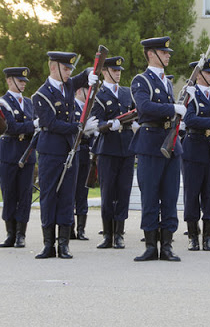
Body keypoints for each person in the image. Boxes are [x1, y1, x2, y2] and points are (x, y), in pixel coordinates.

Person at [32, 52, 98, 259]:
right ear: (54, 67)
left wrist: (91, 72)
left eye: (70, 69)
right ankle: (48, 244)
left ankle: (64, 244)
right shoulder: (40, 95)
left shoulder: (68, 85)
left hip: (70, 149)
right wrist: (79, 127)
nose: (70, 72)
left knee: (68, 197)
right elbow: (50, 123)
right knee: (49, 195)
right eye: (66, 68)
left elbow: (83, 77)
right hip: (51, 151)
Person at [130, 36, 184, 262]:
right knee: (150, 195)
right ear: (151, 54)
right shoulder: (141, 80)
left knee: (170, 195)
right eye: (164, 52)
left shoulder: (166, 81)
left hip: (170, 143)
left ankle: (168, 245)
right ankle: (151, 245)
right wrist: (172, 107)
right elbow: (144, 107)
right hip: (151, 143)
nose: (168, 55)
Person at [182, 58, 210, 252]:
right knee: (192, 194)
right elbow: (190, 119)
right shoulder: (190, 95)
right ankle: (193, 236)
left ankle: (208, 237)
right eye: (208, 73)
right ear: (198, 75)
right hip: (193, 148)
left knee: (209, 195)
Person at [92, 56, 137, 249]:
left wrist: (134, 122)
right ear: (104, 72)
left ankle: (119, 233)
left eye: (119, 70)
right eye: (114, 70)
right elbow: (95, 123)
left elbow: (135, 112)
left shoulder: (127, 93)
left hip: (127, 147)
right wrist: (109, 125)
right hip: (108, 148)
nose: (118, 73)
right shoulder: (98, 95)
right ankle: (108, 233)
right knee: (108, 191)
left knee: (124, 191)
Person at [0, 67, 37, 249]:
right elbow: (9, 127)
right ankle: (10, 234)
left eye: (25, 82)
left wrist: (30, 126)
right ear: (9, 81)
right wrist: (32, 125)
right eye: (20, 81)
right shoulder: (3, 102)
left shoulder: (30, 103)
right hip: (9, 154)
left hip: (27, 154)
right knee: (9, 193)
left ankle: (21, 234)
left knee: (25, 194)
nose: (23, 84)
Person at [70, 86, 92, 241]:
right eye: (87, 89)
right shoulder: (71, 107)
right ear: (78, 91)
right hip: (74, 151)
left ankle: (81, 229)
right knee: (70, 191)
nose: (90, 93)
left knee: (83, 192)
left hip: (86, 153)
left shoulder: (88, 109)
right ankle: (70, 228)